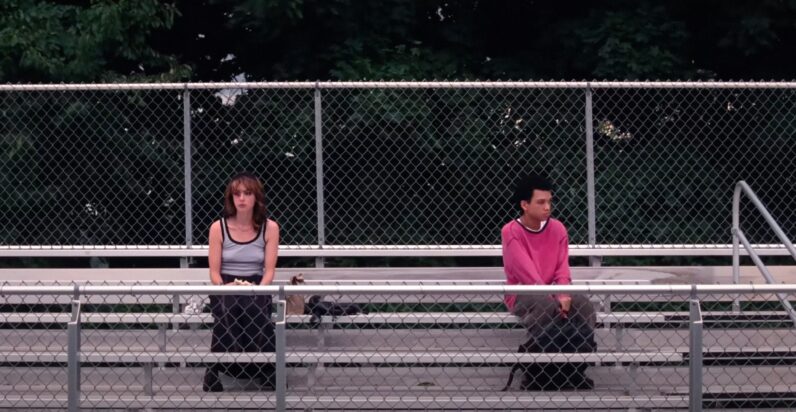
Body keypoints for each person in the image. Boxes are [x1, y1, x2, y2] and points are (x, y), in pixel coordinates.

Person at [501, 173, 596, 389]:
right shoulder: (511, 231)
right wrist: (555, 297)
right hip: (522, 292)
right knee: (544, 305)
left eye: (549, 201)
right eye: (541, 202)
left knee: (583, 305)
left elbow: (562, 267)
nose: (547, 207)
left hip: (553, 290)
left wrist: (563, 293)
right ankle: (537, 373)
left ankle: (574, 370)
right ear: (525, 205)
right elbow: (526, 273)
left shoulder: (558, 229)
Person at [203, 172, 280, 392]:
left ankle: (264, 369)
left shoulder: (270, 228)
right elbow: (214, 272)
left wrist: (259, 289)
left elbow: (269, 270)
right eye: (237, 194)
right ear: (231, 198)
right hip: (226, 282)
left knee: (254, 307)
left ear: (256, 197)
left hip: (256, 283)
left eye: (247, 193)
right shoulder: (218, 228)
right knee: (228, 306)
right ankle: (219, 369)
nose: (242, 198)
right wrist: (223, 288)